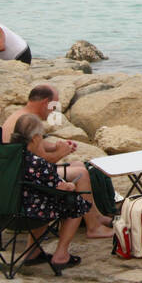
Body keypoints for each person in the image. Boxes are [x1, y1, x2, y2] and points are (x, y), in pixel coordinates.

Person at [2, 85, 113, 239]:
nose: (54, 110)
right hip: (24, 179)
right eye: (55, 105)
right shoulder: (28, 120)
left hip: (16, 173)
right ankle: (93, 227)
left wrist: (55, 146)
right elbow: (41, 162)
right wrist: (61, 153)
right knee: (80, 172)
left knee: (79, 165)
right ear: (46, 102)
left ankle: (96, 216)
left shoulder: (22, 117)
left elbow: (32, 147)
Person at [10, 113, 94, 272]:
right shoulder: (37, 162)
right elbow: (56, 186)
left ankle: (32, 252)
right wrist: (68, 186)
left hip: (3, 209)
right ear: (35, 139)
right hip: (28, 212)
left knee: (42, 201)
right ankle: (61, 254)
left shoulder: (8, 155)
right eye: (41, 137)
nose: (42, 140)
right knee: (75, 203)